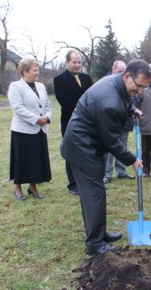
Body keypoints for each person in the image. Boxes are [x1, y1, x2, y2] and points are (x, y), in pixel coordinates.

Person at [60, 60, 150, 256]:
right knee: (94, 194)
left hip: (88, 143)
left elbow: (125, 99)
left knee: (94, 192)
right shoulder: (107, 102)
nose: (141, 91)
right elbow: (111, 141)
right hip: (82, 148)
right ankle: (94, 244)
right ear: (127, 76)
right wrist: (132, 160)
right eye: (139, 85)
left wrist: (132, 109)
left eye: (145, 87)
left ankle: (99, 234)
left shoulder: (117, 83)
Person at [8, 57, 52, 201]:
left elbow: (47, 105)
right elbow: (18, 108)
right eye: (35, 70)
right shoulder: (15, 86)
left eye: (37, 70)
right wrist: (36, 119)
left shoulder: (40, 86)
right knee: (22, 160)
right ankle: (17, 188)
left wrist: (46, 117)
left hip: (40, 130)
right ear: (25, 71)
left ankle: (33, 187)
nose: (37, 73)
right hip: (23, 131)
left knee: (36, 160)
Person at [53, 50, 93, 195]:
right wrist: (83, 112)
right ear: (67, 62)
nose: (77, 65)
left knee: (88, 153)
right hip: (71, 122)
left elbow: (92, 98)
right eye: (74, 62)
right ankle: (74, 184)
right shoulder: (59, 80)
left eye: (79, 62)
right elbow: (65, 102)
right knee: (72, 153)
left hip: (89, 123)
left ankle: (87, 182)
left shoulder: (87, 78)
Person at [103, 60, 136, 183]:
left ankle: (121, 171)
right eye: (119, 72)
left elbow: (132, 100)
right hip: (111, 122)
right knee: (110, 147)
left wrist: (133, 111)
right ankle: (107, 173)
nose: (121, 75)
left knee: (123, 146)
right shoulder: (106, 83)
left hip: (124, 121)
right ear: (113, 70)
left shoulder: (128, 82)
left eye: (124, 72)